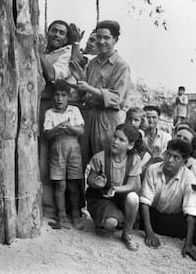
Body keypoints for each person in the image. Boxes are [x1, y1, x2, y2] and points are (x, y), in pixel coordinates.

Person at [75, 20, 131, 172]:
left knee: (104, 161)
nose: (101, 41)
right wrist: (79, 82)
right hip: (89, 115)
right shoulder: (93, 63)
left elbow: (116, 98)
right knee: (83, 160)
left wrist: (89, 88)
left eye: (106, 38)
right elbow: (84, 92)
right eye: (98, 37)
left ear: (115, 40)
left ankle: (106, 195)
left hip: (106, 119)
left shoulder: (121, 65)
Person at [86, 124, 142, 251]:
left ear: (130, 145)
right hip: (101, 197)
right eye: (115, 137)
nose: (115, 141)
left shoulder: (134, 159)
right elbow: (90, 180)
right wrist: (97, 183)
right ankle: (108, 221)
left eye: (121, 140)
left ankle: (127, 233)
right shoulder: (100, 157)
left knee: (133, 198)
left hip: (120, 196)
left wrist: (115, 189)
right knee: (110, 223)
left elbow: (131, 185)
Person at [140, 139, 196, 260]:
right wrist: (149, 233)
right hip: (151, 216)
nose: (170, 160)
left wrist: (188, 244)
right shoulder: (153, 169)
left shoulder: (189, 177)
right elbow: (144, 202)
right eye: (168, 154)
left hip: (173, 220)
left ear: (184, 162)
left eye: (176, 157)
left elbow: (191, 212)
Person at [44, 80, 85, 230]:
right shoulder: (50, 113)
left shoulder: (74, 111)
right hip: (57, 149)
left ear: (69, 96)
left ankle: (75, 214)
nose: (59, 99)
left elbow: (81, 130)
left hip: (74, 149)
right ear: (52, 97)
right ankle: (61, 215)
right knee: (60, 184)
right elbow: (47, 134)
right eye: (56, 95)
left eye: (63, 95)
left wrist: (70, 127)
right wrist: (58, 128)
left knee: (74, 184)